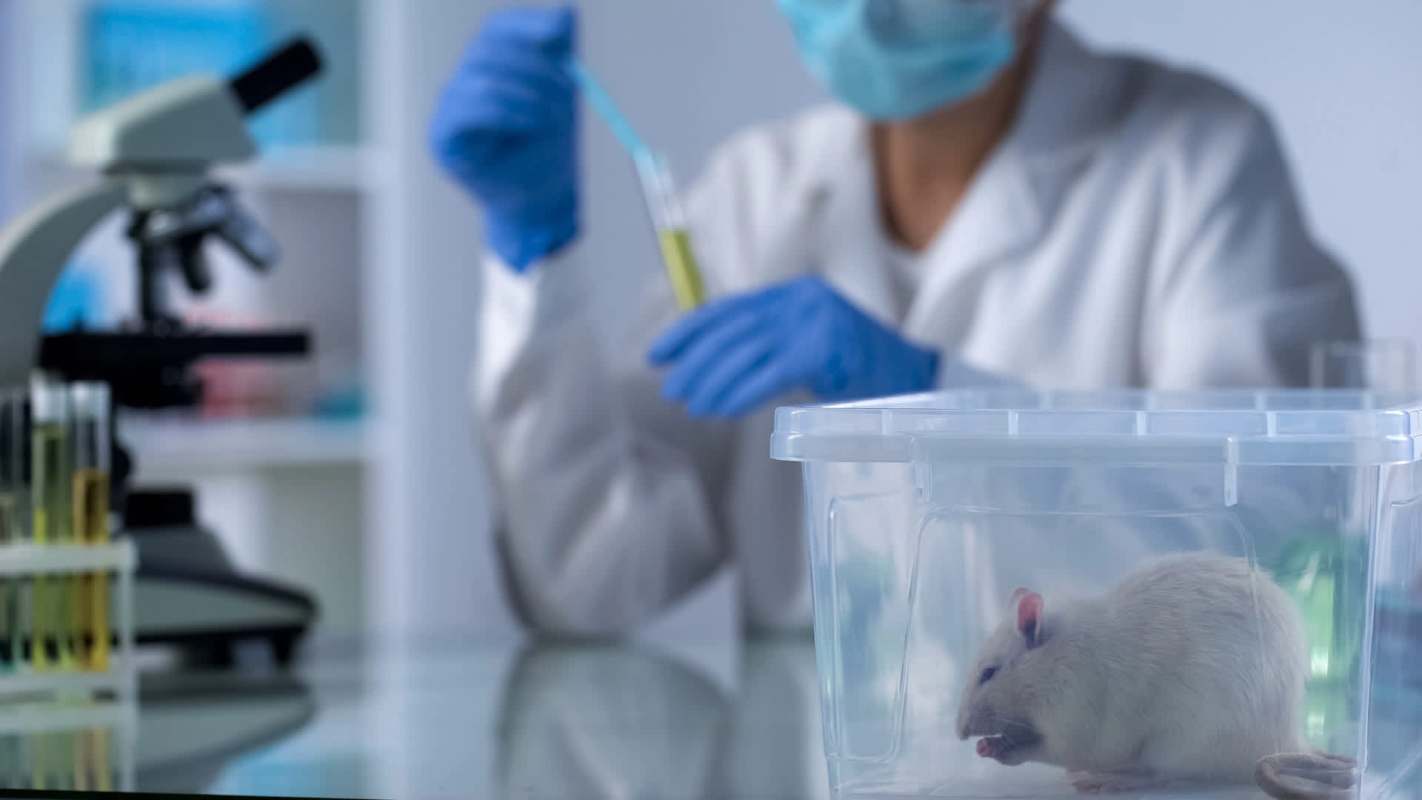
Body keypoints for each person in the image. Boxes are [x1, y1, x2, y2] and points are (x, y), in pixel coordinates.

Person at [429, 1, 1360, 636]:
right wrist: (534, 255)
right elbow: (590, 580)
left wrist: (942, 408)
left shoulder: (1200, 162)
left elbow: (1265, 548)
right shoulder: (751, 192)